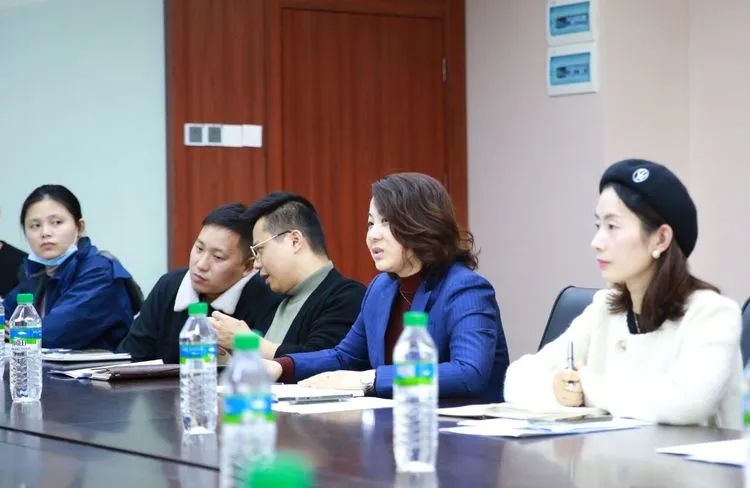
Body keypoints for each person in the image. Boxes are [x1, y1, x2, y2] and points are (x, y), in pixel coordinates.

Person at [504, 159, 742, 428]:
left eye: (612, 227)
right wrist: (556, 389)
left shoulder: (713, 313)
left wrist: (588, 387)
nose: (596, 243)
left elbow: (687, 402)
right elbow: (517, 378)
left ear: (661, 239)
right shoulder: (604, 308)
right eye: (598, 226)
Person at [264, 172, 509, 401]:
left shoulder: (465, 288)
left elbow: (468, 372)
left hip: (460, 426)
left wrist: (369, 379)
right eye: (371, 223)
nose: (373, 235)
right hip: (397, 420)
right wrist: (281, 367)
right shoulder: (381, 288)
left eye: (386, 222)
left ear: (422, 224)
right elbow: (345, 357)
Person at [209, 192, 365, 359]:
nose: (256, 264)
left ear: (294, 241)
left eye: (259, 250)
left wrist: (247, 342)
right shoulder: (272, 299)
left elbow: (323, 361)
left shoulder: (348, 296)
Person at [117, 203, 281, 363]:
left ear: (247, 266)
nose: (201, 264)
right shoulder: (169, 286)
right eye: (199, 249)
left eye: (218, 257)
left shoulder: (266, 298)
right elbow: (130, 358)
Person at [3, 185, 135, 350]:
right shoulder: (36, 272)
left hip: (98, 366)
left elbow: (50, 336)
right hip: (43, 365)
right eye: (35, 226)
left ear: (79, 227)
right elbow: (5, 321)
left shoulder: (99, 272)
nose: (45, 233)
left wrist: (16, 333)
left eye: (56, 222)